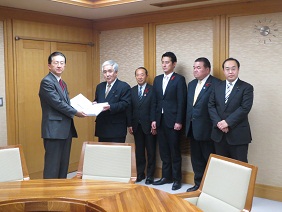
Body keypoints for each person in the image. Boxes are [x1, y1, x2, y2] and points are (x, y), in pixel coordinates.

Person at [39, 51, 87, 179]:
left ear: (65, 65)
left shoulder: (62, 82)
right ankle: (49, 196)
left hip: (65, 130)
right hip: (54, 130)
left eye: (62, 63)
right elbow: (57, 103)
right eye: (56, 63)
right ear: (49, 65)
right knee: (52, 166)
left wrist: (87, 106)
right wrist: (76, 112)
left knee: (63, 165)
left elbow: (66, 103)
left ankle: (60, 195)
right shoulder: (47, 82)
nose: (59, 65)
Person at [151, 52, 187, 190]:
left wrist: (179, 121)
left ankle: (177, 179)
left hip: (173, 122)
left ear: (174, 64)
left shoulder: (179, 79)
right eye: (162, 62)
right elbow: (155, 101)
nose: (164, 65)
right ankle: (166, 176)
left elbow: (181, 102)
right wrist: (153, 119)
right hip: (160, 121)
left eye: (167, 62)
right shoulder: (157, 79)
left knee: (175, 151)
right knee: (164, 151)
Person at [185, 57, 221, 192]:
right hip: (193, 128)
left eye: (198, 67)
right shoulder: (191, 84)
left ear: (207, 69)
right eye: (194, 67)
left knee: (209, 160)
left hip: (208, 130)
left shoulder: (216, 84)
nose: (195, 70)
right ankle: (198, 184)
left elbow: (218, 108)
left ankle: (211, 188)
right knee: (196, 159)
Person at [208, 58, 254, 162]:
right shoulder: (217, 86)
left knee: (239, 166)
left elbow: (245, 108)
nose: (230, 72)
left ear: (238, 70)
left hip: (238, 135)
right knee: (221, 166)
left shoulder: (246, 87)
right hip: (219, 134)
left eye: (233, 69)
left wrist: (227, 122)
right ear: (223, 71)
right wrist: (219, 124)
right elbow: (211, 106)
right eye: (227, 69)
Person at [127, 67, 157, 184]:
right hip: (136, 126)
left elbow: (154, 106)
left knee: (151, 151)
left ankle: (150, 175)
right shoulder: (132, 90)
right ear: (135, 77)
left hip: (149, 125)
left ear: (146, 76)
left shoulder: (152, 90)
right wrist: (129, 124)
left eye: (142, 75)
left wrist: (154, 122)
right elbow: (129, 109)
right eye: (137, 75)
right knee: (139, 151)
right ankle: (140, 173)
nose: (140, 77)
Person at [94, 60, 131, 143]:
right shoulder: (100, 86)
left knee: (116, 154)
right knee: (103, 154)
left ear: (116, 72)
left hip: (116, 128)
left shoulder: (124, 86)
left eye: (110, 71)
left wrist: (110, 107)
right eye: (105, 72)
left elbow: (125, 104)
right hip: (102, 127)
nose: (107, 74)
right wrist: (95, 103)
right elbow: (97, 99)